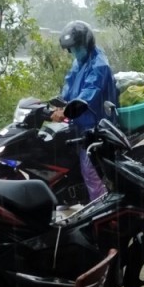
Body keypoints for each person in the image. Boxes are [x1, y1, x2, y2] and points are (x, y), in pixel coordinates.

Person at [51, 20, 119, 202]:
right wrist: (60, 103)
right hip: (79, 120)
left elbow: (89, 93)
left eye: (76, 47)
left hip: (97, 124)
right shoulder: (80, 61)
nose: (73, 51)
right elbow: (69, 83)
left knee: (90, 171)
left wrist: (66, 111)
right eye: (71, 49)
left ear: (86, 43)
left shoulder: (99, 65)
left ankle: (100, 209)